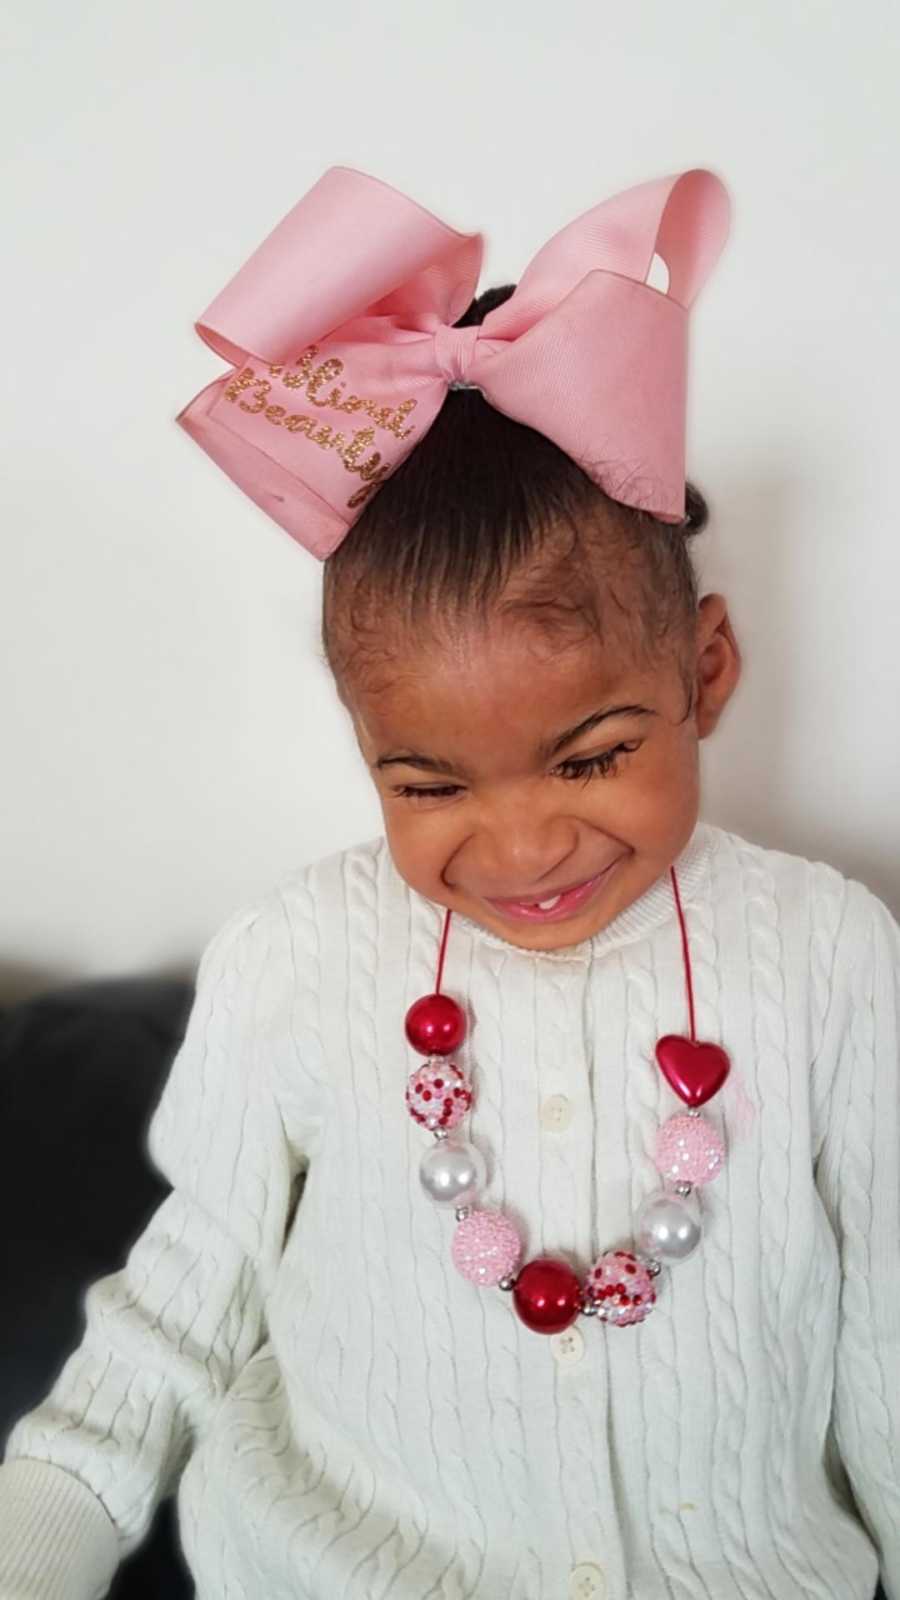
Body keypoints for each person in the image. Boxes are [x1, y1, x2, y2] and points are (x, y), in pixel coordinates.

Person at [0, 165, 896, 1600]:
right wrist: (46, 1526)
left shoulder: (835, 953)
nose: (525, 846)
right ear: (365, 748)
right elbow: (185, 1295)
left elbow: (890, 1330)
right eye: (427, 786)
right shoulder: (295, 955)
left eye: (594, 760)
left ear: (705, 674)